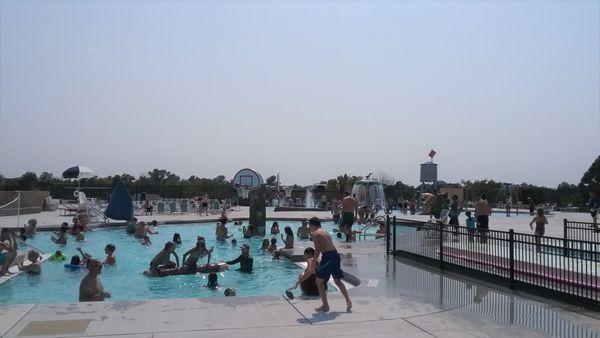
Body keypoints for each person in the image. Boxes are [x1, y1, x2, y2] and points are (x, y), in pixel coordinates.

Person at [308, 217, 352, 313]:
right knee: (337, 280)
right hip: (335, 255)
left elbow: (317, 249)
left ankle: (325, 306)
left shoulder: (315, 234)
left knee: (319, 281)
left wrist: (313, 264)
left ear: (311, 225)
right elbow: (328, 245)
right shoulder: (325, 232)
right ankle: (348, 301)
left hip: (328, 257)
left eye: (309, 226)